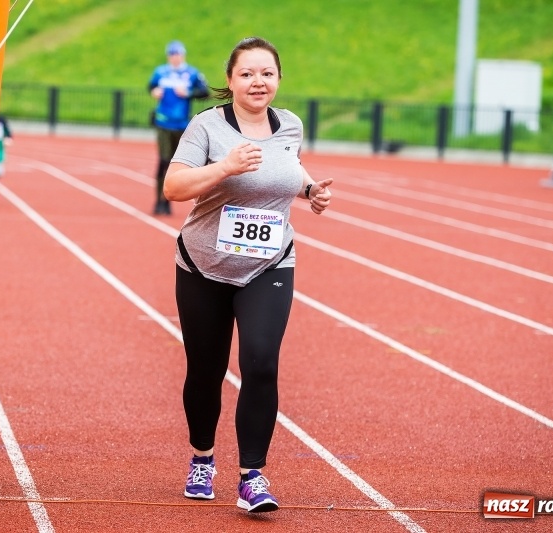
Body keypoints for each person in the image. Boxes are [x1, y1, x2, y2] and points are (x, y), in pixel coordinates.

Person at [163, 37, 333, 513]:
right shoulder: (207, 126)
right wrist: (224, 167)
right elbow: (174, 186)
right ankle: (202, 457)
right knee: (206, 370)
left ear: (278, 79)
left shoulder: (290, 125)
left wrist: (310, 189)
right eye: (247, 74)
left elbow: (288, 167)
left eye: (267, 74)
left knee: (261, 363)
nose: (258, 82)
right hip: (203, 265)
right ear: (231, 81)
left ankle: (251, 476)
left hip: (269, 263)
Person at [148, 40, 209, 215]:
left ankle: (175, 198)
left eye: (178, 54)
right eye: (172, 54)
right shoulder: (161, 72)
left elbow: (204, 92)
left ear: (183, 55)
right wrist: (154, 91)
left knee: (182, 164)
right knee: (164, 161)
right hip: (163, 122)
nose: (175, 58)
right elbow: (151, 86)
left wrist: (188, 93)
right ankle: (160, 201)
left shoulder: (191, 73)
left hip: (182, 123)